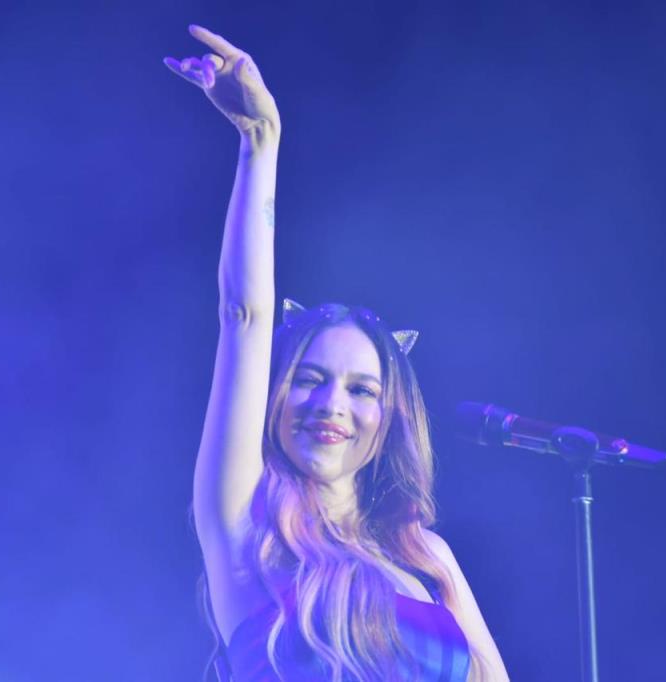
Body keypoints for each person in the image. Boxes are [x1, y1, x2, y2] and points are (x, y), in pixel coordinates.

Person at [164, 25, 509, 682]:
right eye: (311, 379)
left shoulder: (428, 560)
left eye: (361, 390)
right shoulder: (246, 525)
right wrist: (260, 141)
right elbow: (244, 316)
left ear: (390, 418)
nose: (332, 405)